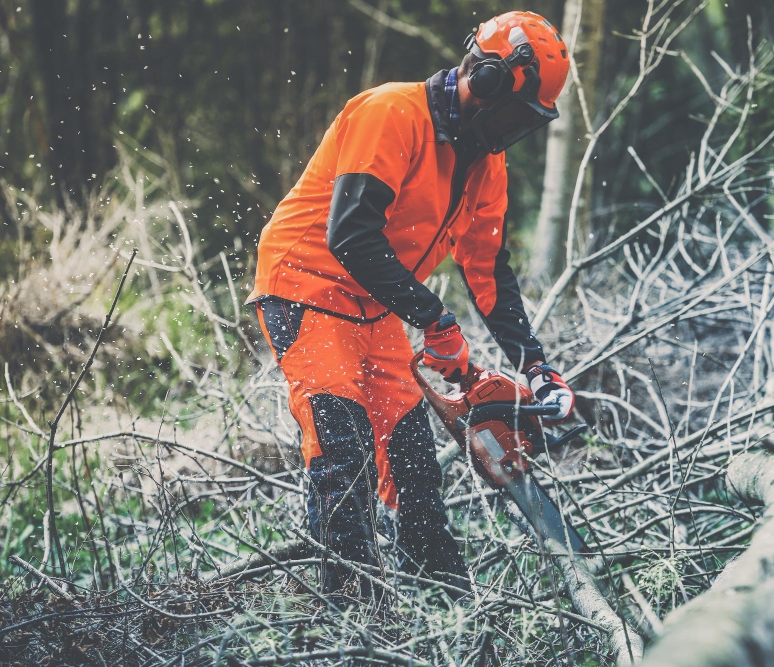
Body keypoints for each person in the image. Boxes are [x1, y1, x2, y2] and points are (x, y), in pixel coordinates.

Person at [246, 10, 576, 602]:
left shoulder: (485, 162)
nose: (514, 131)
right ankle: (350, 616)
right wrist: (436, 320)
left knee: (415, 468)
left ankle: (447, 612)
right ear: (490, 82)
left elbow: (489, 269)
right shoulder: (392, 112)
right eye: (517, 115)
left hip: (375, 308)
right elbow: (351, 234)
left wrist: (536, 366)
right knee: (344, 454)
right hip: (307, 287)